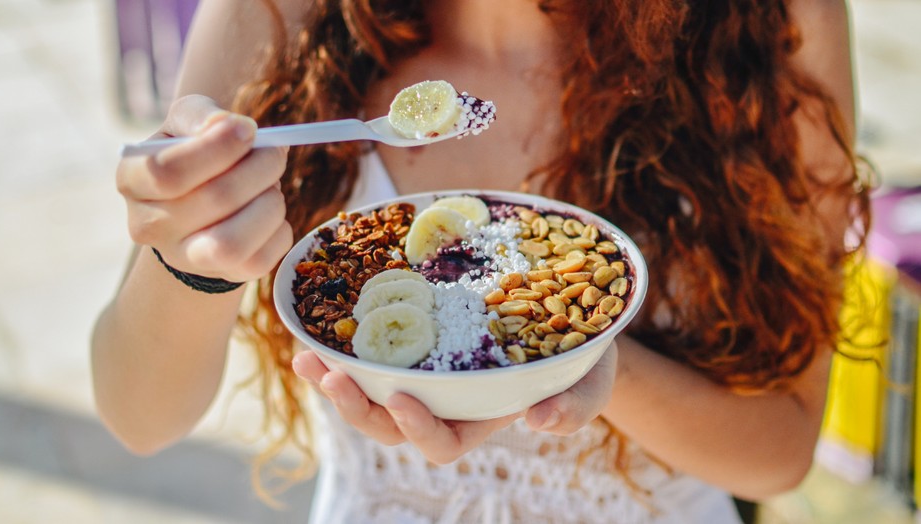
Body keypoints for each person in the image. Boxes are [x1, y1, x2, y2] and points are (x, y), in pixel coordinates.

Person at [92, 0, 872, 522]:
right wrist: (189, 258)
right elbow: (140, 417)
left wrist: (587, 361)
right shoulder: (283, 12)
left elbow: (779, 452)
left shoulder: (765, 22)